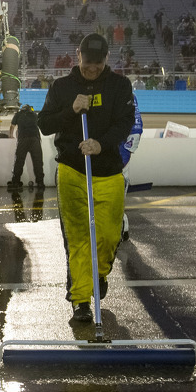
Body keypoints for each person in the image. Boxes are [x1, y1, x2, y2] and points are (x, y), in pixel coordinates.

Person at [38, 33, 135, 323]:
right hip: (71, 169)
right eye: (87, 62)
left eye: (98, 62)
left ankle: (98, 274)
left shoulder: (120, 86)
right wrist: (71, 110)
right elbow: (44, 124)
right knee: (78, 238)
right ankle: (80, 301)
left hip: (108, 170)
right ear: (77, 55)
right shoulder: (62, 87)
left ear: (107, 59)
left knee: (108, 235)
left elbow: (124, 123)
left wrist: (100, 144)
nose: (91, 68)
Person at [119, 94, 143, 241]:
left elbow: (136, 126)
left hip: (119, 154)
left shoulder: (127, 94)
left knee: (118, 191)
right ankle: (122, 226)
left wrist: (126, 151)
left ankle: (121, 226)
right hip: (107, 151)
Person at [7, 104, 45, 191]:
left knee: (19, 161)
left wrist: (11, 136)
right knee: (38, 162)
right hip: (35, 140)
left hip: (23, 139)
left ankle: (16, 182)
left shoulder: (18, 114)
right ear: (30, 109)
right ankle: (40, 183)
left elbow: (12, 126)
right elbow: (40, 127)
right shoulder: (35, 115)